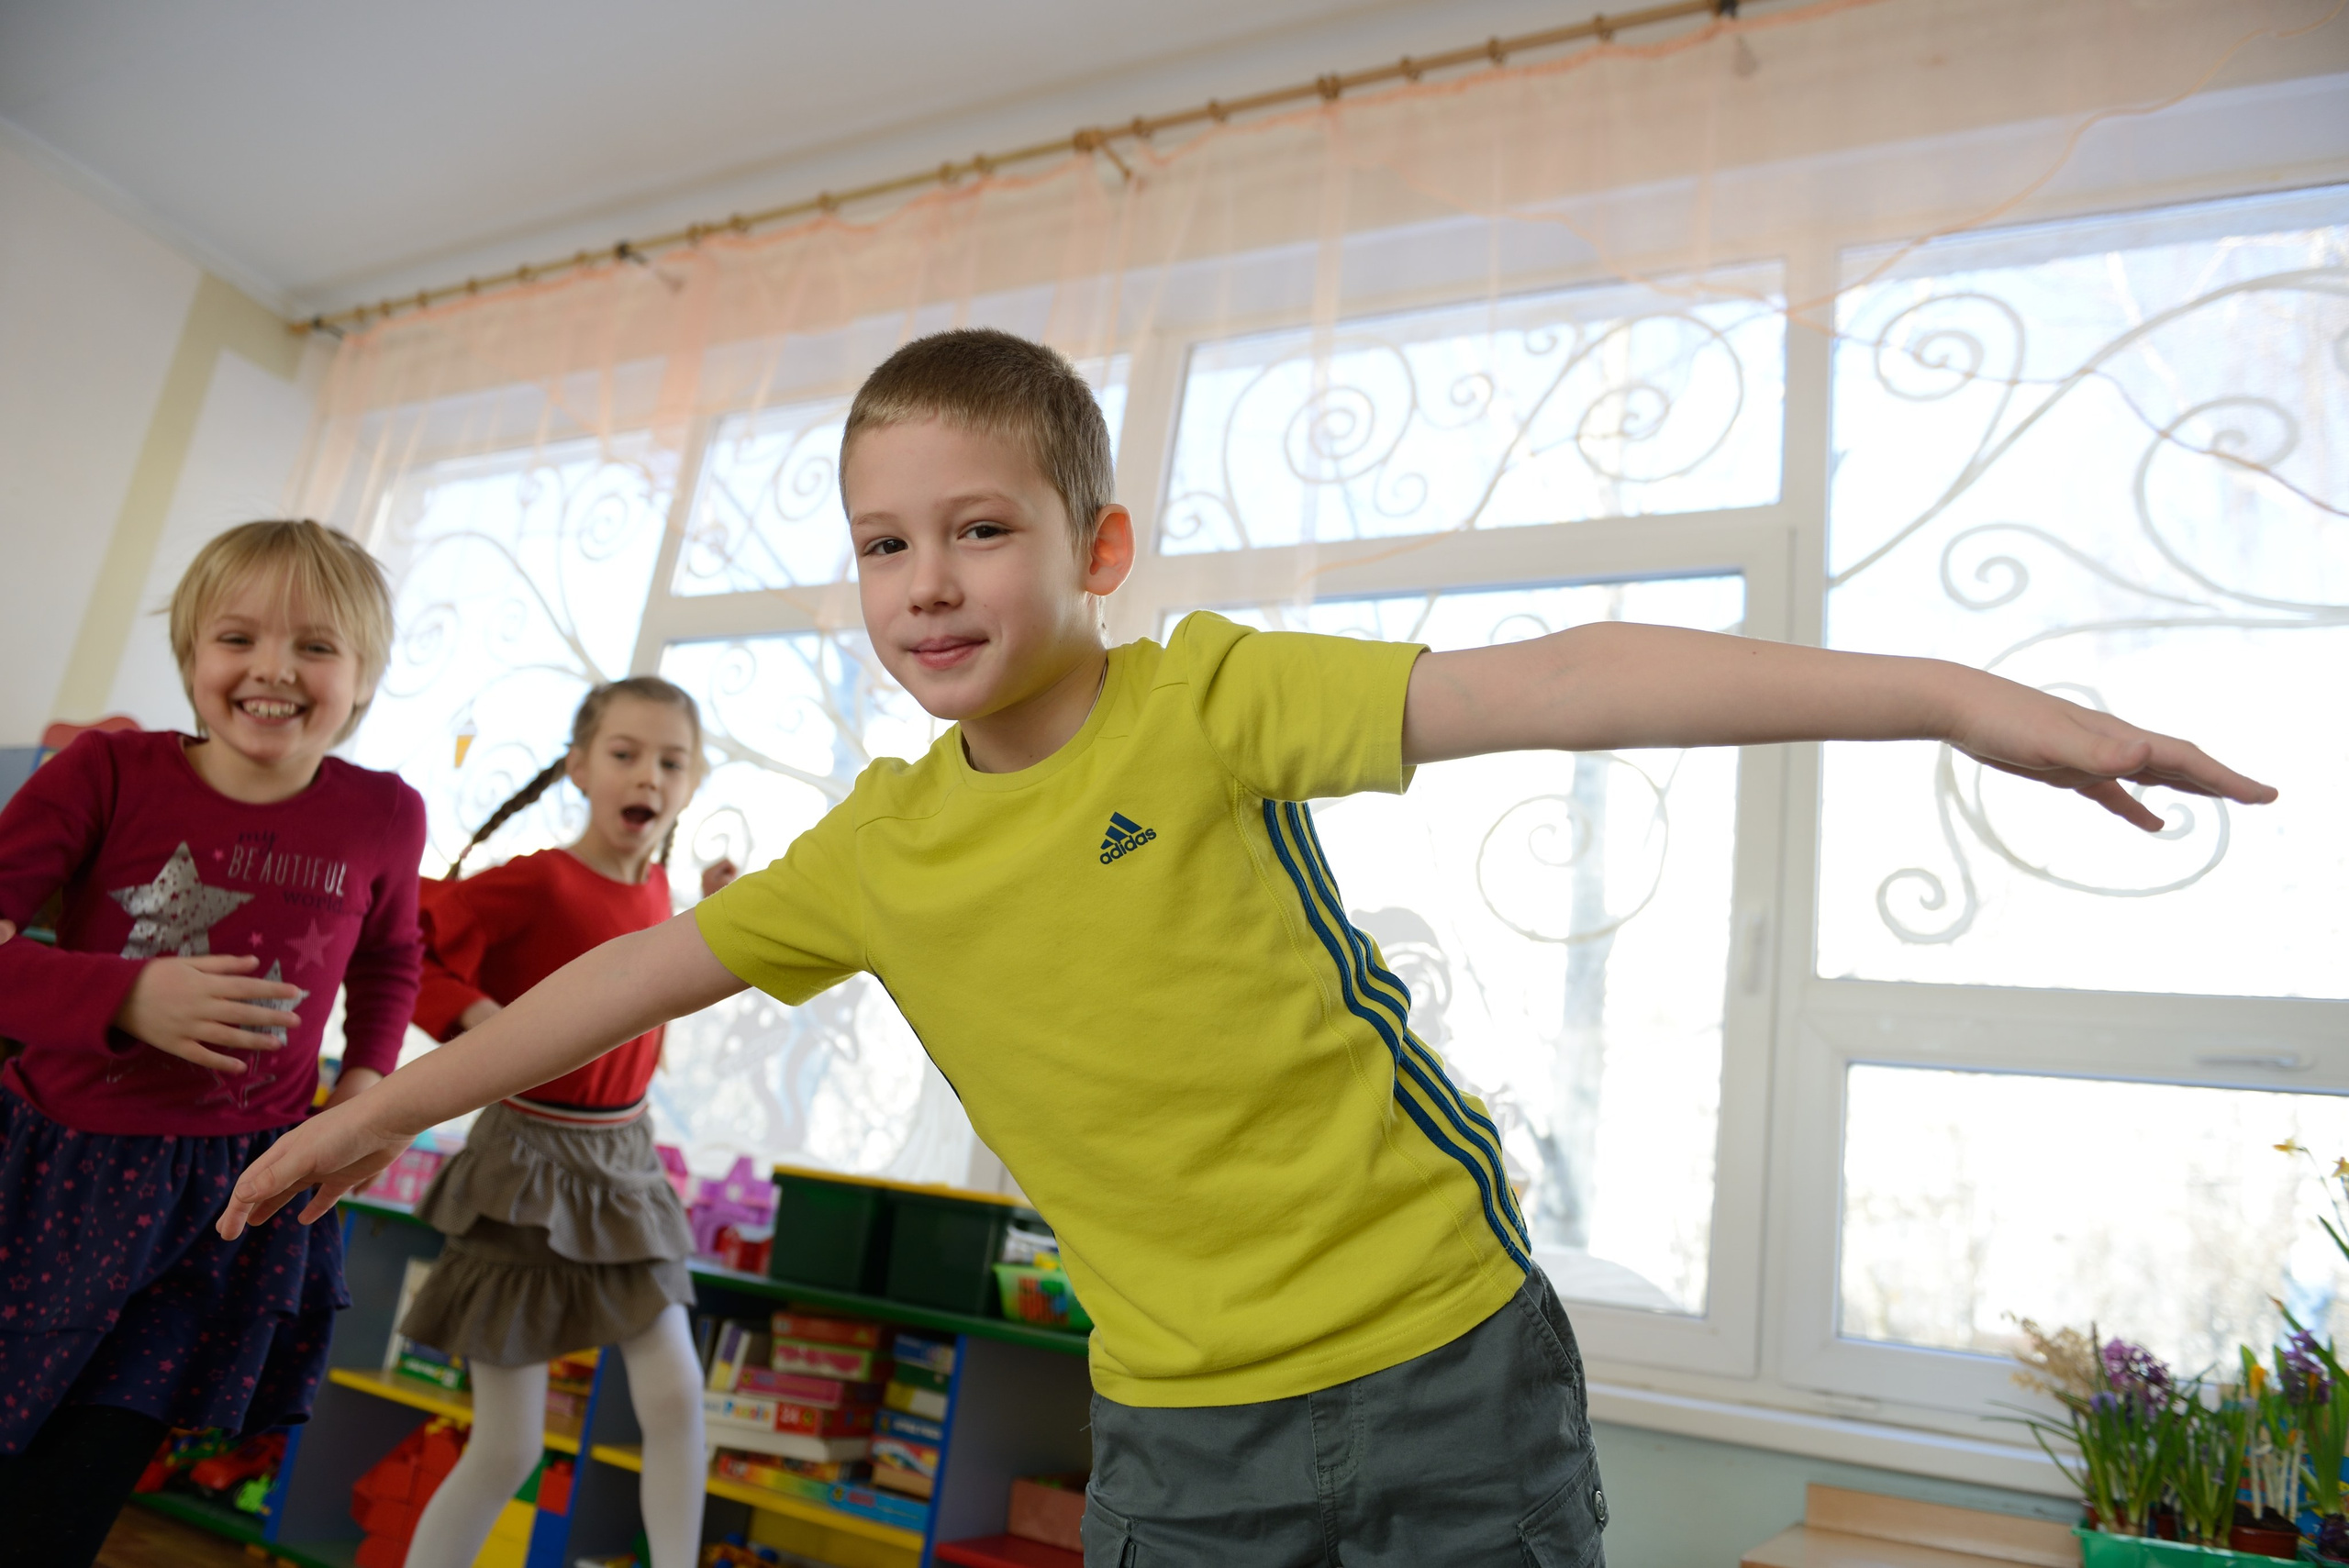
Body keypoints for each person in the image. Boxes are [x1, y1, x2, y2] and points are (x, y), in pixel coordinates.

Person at [220, 331, 2277, 1566]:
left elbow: (1560, 676)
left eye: (980, 526)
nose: (926, 581)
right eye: (880, 541)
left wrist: (1941, 694)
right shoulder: (884, 847)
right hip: (1179, 1428)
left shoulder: (1202, 698)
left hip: (1443, 1365)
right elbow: (611, 985)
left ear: (1094, 548)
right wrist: (377, 1105)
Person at [0, 520, 423, 1567]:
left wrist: (367, 1095)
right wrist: (128, 994)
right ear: (193, 654)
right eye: (239, 637)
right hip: (53, 1170)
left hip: (232, 1202)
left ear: (363, 675)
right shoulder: (106, 769)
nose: (274, 668)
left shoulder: (386, 812)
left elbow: (389, 960)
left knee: (70, 1499)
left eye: (316, 646)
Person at [396, 676, 735, 1568]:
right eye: (625, 753)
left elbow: (645, 996)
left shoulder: (661, 889)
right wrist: (480, 1023)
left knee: (675, 1396)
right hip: (523, 1161)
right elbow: (415, 938)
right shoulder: (540, 879)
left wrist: (716, 915)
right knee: (508, 1445)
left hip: (625, 1159)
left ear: (696, 781)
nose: (649, 775)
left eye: (672, 760)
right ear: (579, 767)